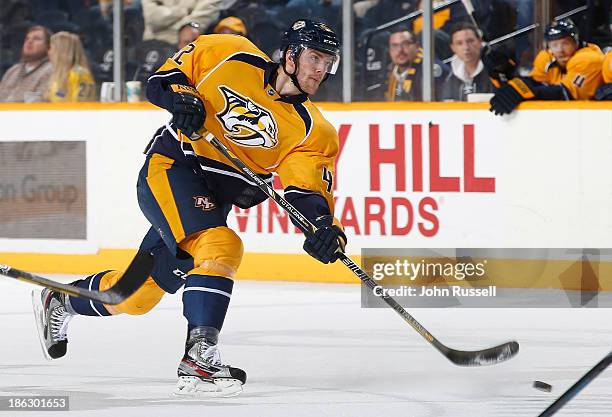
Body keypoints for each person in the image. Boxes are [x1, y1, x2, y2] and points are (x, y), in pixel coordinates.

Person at [31, 19, 346, 397]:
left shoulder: (314, 130)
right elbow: (165, 79)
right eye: (314, 57)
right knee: (221, 246)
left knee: (135, 296)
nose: (320, 69)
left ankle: (61, 299)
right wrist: (181, 99)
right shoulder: (229, 52)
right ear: (290, 55)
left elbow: (307, 191)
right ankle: (199, 357)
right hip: (172, 169)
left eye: (328, 62)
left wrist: (323, 227)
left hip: (212, 201)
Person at [487, 19, 605, 116]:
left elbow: (567, 95)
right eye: (554, 45)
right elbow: (534, 84)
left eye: (565, 43)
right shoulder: (547, 57)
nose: (560, 50)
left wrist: (526, 90)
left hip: (594, 120)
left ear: (576, 42)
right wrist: (504, 73)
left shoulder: (589, 59)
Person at [384, 27, 447, 101]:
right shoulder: (389, 72)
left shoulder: (429, 70)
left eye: (406, 44)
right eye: (395, 45)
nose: (400, 50)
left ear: (417, 46)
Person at [0, 25, 53, 103]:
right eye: (27, 39)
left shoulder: (51, 70)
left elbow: (40, 99)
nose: (29, 41)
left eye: (36, 39)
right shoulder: (13, 70)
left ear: (48, 46)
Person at [441, 22, 492, 101]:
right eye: (459, 43)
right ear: (452, 47)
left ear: (480, 42)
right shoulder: (449, 76)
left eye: (470, 41)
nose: (466, 47)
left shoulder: (493, 70)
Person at [141, 0, 222, 45]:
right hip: (149, 41)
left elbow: (204, 14)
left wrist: (187, 26)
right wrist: (183, 11)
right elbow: (153, 17)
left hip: (181, 45)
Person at [46, 32, 96, 102]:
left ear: (61, 51)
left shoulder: (80, 74)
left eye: (51, 48)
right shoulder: (57, 75)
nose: (48, 52)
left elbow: (83, 105)